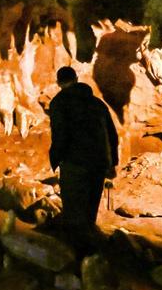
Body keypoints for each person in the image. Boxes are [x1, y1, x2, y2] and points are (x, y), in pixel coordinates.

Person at [48, 66, 119, 246]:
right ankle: (92, 252)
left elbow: (60, 133)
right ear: (77, 79)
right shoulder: (97, 103)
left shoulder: (59, 103)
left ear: (58, 83)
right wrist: (112, 163)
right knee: (89, 210)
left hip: (75, 163)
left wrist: (55, 158)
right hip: (98, 163)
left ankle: (77, 253)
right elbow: (111, 134)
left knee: (73, 210)